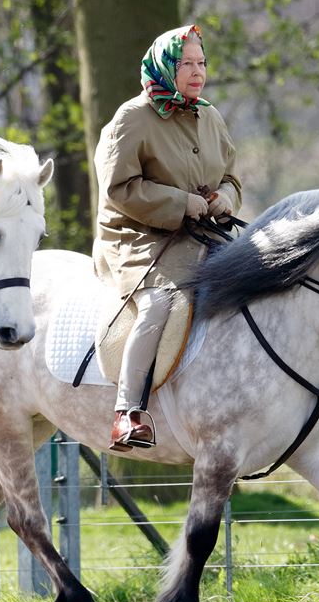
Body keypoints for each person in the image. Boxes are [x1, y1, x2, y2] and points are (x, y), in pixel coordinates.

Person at [92, 25, 242, 452]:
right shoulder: (131, 118)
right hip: (136, 237)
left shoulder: (210, 116)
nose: (198, 72)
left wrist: (224, 197)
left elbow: (231, 175)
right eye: (187, 64)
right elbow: (119, 189)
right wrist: (183, 203)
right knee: (163, 303)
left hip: (201, 233)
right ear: (164, 68)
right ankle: (128, 414)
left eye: (202, 63)